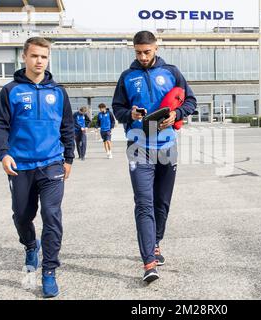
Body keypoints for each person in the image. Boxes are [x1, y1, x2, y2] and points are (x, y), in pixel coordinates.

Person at [0, 37, 75, 298]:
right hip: (21, 165)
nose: (39, 61)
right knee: (22, 215)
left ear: (48, 59)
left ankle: (49, 271)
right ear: (24, 58)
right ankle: (30, 244)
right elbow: (0, 126)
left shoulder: (58, 92)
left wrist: (68, 158)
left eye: (44, 56)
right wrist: (4, 154)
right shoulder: (11, 91)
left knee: (52, 216)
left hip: (51, 164)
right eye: (35, 56)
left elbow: (67, 127)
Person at [112, 30, 197, 283]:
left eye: (147, 52)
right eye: (138, 52)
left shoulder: (172, 72)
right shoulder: (127, 77)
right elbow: (118, 108)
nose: (143, 56)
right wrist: (132, 115)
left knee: (161, 202)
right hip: (138, 146)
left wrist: (177, 114)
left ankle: (156, 242)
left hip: (167, 146)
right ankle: (149, 261)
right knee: (144, 203)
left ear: (156, 48)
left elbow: (191, 100)